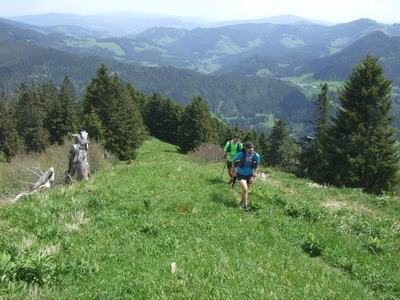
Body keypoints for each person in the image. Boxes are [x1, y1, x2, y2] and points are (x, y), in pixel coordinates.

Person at [231, 141, 260, 211]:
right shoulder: (241, 154)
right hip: (241, 174)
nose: (251, 149)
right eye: (249, 148)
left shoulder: (256, 155)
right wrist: (233, 169)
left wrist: (253, 176)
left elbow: (257, 167)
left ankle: (242, 200)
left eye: (252, 148)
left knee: (246, 190)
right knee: (245, 189)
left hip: (250, 175)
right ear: (246, 149)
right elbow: (233, 159)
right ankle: (245, 205)